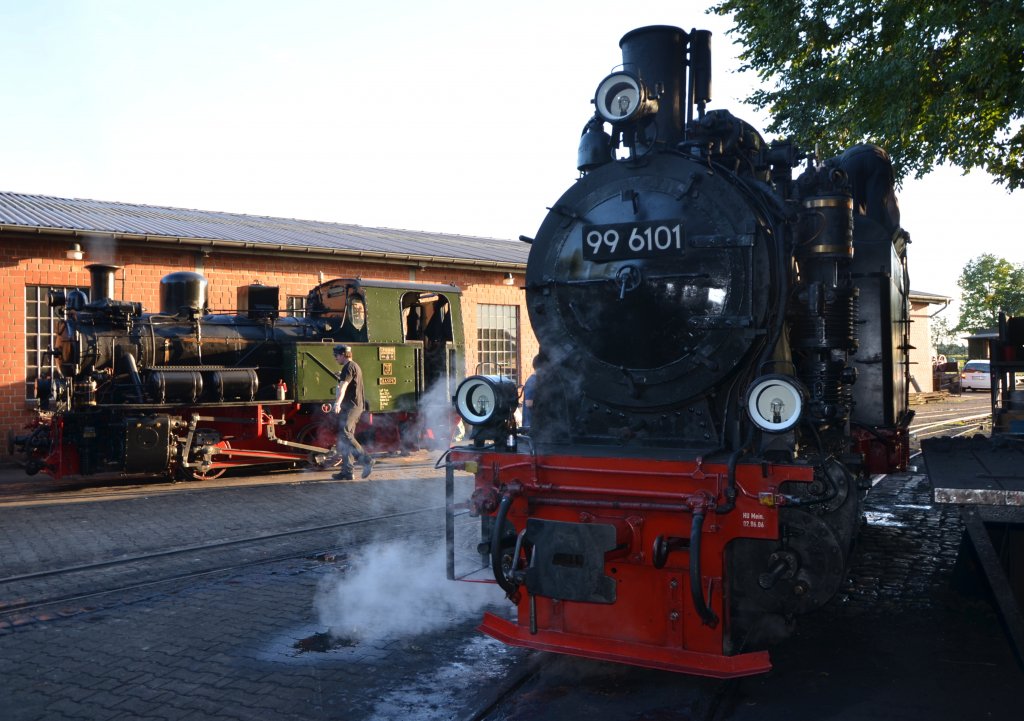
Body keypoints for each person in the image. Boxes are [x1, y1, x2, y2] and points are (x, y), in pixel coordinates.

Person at [331, 344, 374, 480]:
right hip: (353, 405)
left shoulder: (348, 367)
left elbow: (343, 388)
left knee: (345, 432)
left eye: (336, 355)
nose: (335, 358)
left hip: (353, 406)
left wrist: (337, 403)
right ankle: (347, 471)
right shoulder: (354, 366)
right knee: (344, 437)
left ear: (343, 354)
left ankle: (367, 460)